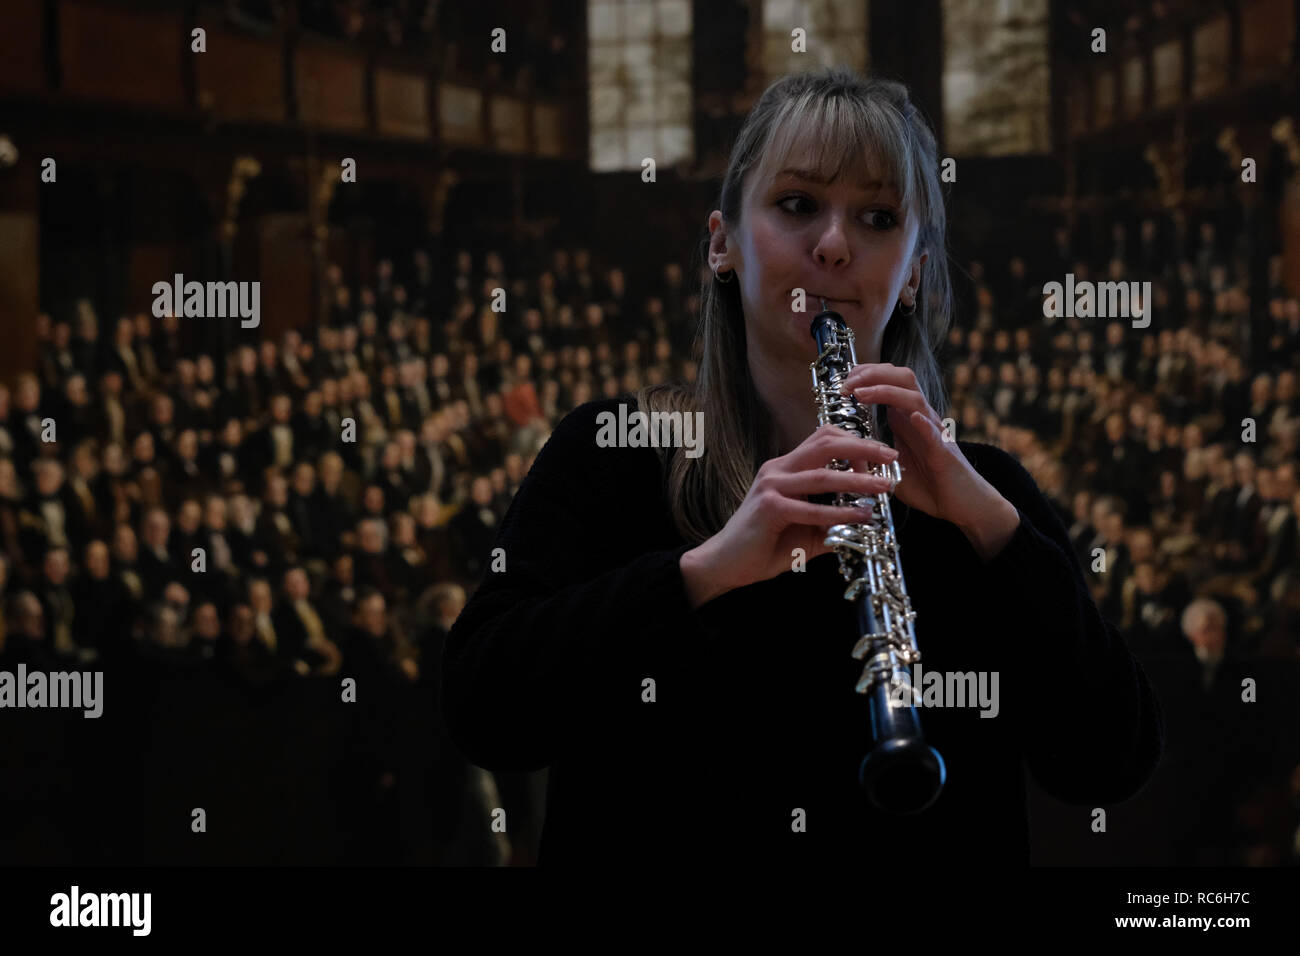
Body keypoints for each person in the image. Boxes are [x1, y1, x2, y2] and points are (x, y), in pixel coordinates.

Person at [441, 68, 1165, 866]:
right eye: (797, 205)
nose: (833, 244)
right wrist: (704, 572)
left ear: (914, 273)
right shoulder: (612, 454)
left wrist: (994, 531)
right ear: (723, 243)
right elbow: (484, 711)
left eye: (878, 218)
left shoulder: (985, 501)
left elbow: (1108, 762)